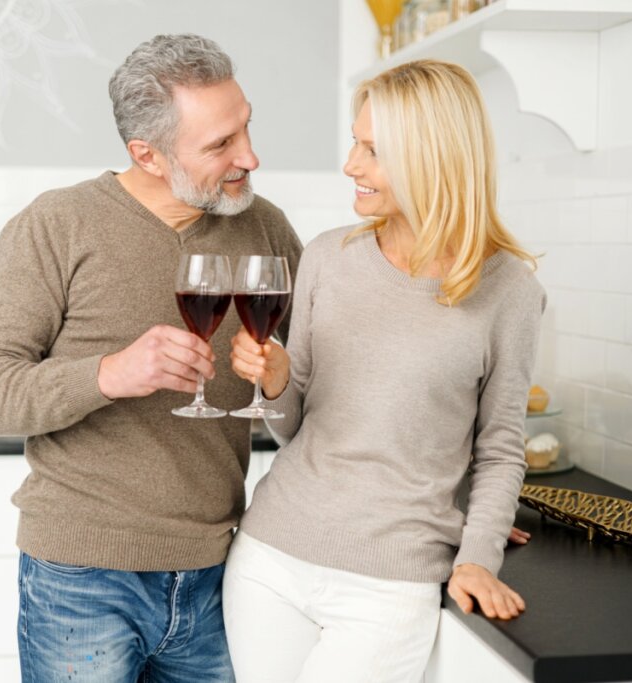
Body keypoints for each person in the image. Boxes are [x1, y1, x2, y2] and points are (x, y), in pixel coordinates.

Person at [0, 34, 302, 683]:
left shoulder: (265, 228)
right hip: (82, 580)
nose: (249, 157)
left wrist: (283, 378)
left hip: (219, 574)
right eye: (219, 145)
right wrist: (110, 373)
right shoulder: (56, 226)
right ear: (146, 153)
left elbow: (321, 377)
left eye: (245, 127)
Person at [223, 59, 545, 683]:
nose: (351, 165)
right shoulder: (326, 257)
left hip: (391, 583)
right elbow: (301, 430)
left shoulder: (509, 291)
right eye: (355, 141)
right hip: (270, 558)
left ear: (433, 158)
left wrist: (478, 557)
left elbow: (501, 450)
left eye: (373, 150)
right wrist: (278, 378)